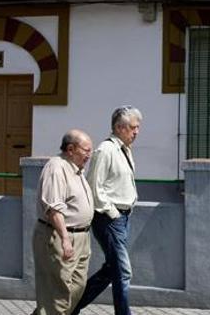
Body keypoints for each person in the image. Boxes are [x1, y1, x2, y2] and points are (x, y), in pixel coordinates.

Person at [72, 106, 142, 315]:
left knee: (111, 269)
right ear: (120, 127)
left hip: (122, 218)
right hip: (109, 219)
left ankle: (70, 307)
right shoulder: (106, 150)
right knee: (123, 271)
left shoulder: (124, 149)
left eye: (138, 127)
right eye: (133, 127)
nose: (136, 131)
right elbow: (94, 187)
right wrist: (112, 213)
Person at [32, 129, 94, 315]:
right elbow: (53, 209)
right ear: (70, 149)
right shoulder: (56, 168)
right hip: (59, 236)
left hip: (81, 237)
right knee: (58, 294)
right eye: (86, 150)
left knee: (76, 288)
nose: (89, 155)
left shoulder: (77, 170)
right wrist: (65, 239)